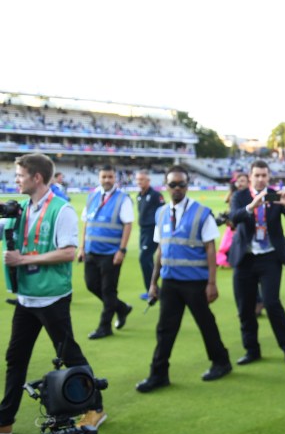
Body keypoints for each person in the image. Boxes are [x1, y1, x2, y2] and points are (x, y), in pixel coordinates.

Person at [1, 153, 104, 434]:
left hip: (52, 298)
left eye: (20, 175)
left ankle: (95, 407)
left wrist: (21, 261)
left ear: (36, 178)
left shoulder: (62, 209)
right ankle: (5, 418)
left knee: (70, 354)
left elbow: (69, 252)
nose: (16, 180)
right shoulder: (21, 209)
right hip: (26, 298)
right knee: (16, 357)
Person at [136, 165, 231, 392]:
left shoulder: (201, 213)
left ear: (187, 186)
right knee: (165, 329)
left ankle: (221, 362)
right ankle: (158, 374)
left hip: (195, 282)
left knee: (206, 324)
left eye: (181, 184)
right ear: (166, 187)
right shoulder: (160, 214)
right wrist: (153, 283)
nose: (177, 188)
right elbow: (160, 250)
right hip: (170, 282)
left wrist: (211, 283)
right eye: (173, 184)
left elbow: (210, 248)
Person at [228, 160, 285, 365]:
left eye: (264, 175)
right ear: (250, 176)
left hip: (270, 257)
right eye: (257, 175)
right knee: (245, 307)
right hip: (245, 258)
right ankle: (252, 350)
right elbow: (234, 217)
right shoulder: (240, 196)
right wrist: (252, 206)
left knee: (271, 303)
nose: (260, 179)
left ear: (269, 177)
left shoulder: (276, 195)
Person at [78, 163, 134, 339]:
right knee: (91, 285)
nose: (107, 180)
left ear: (115, 178)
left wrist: (122, 250)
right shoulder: (92, 197)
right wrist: (81, 247)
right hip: (91, 251)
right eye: (104, 177)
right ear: (99, 178)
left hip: (111, 253)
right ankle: (121, 308)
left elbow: (128, 225)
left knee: (108, 290)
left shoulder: (122, 199)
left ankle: (105, 326)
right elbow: (87, 223)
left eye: (110, 177)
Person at [135, 169, 165, 301]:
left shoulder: (155, 195)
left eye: (142, 179)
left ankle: (151, 290)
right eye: (138, 179)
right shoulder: (139, 195)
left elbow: (163, 212)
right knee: (147, 260)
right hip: (143, 231)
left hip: (152, 231)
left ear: (148, 181)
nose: (139, 182)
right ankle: (155, 289)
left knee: (144, 259)